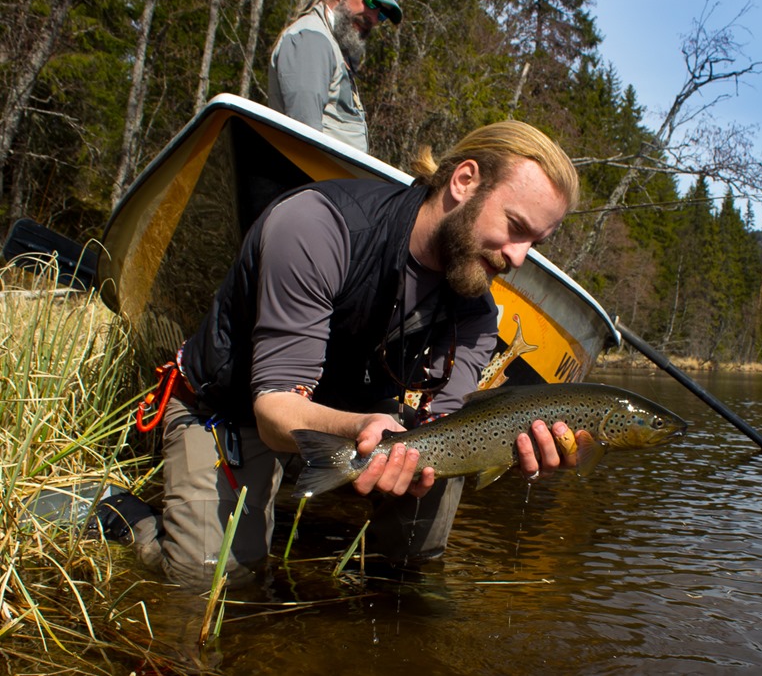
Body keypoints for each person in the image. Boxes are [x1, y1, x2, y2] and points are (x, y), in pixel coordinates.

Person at [98, 120, 581, 588]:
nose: (518, 257)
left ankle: (393, 587)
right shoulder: (319, 226)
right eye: (515, 227)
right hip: (235, 408)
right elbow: (274, 410)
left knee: (440, 478)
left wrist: (505, 450)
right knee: (210, 580)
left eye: (534, 243)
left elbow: (445, 430)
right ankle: (124, 516)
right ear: (464, 181)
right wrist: (359, 430)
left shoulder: (475, 315)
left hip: (350, 422)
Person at [268, 0, 401, 151]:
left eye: (382, 14)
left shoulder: (334, 46)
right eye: (371, 1)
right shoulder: (312, 40)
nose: (372, 17)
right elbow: (305, 142)